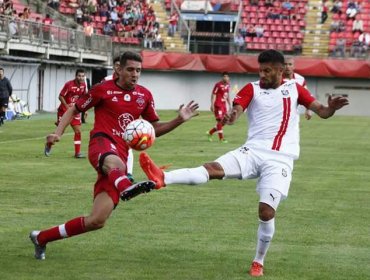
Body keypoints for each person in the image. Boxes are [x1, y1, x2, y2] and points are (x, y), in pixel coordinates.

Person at [139, 50, 349, 277]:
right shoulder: (252, 88)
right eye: (260, 70)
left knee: (266, 211)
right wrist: (232, 116)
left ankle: (258, 261)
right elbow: (238, 109)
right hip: (252, 151)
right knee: (212, 169)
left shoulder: (295, 89)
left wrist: (331, 109)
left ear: (281, 70)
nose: (262, 74)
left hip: (280, 158)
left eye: (267, 70)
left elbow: (322, 111)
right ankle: (163, 177)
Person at [30, 51, 199, 260]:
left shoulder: (144, 96)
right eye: (130, 69)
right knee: (114, 162)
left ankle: (41, 238)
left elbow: (154, 128)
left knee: (97, 220)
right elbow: (74, 108)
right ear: (118, 69)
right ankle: (127, 186)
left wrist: (178, 120)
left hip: (119, 160)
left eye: (138, 70)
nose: (135, 74)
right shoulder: (102, 90)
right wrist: (57, 133)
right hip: (100, 145)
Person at [102, 56, 134, 183]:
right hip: (109, 121)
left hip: (124, 118)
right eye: (115, 64)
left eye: (118, 64)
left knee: (129, 145)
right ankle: (112, 171)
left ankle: (129, 173)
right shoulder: (106, 80)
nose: (116, 67)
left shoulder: (129, 81)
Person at [44, 69, 87, 158]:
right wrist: (67, 107)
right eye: (79, 76)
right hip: (64, 111)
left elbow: (83, 98)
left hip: (75, 111)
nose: (81, 77)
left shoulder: (83, 85)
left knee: (78, 131)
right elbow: (60, 96)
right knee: (59, 133)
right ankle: (49, 143)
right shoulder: (69, 84)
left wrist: (84, 110)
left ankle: (77, 153)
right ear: (76, 76)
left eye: (83, 76)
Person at [206, 72, 231, 143]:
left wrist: (229, 104)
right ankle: (221, 138)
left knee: (224, 122)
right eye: (224, 76)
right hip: (218, 105)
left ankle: (210, 132)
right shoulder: (218, 85)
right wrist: (212, 104)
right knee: (219, 121)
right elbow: (213, 95)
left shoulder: (228, 85)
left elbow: (227, 95)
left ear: (229, 78)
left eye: (227, 77)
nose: (226, 78)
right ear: (222, 77)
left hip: (224, 106)